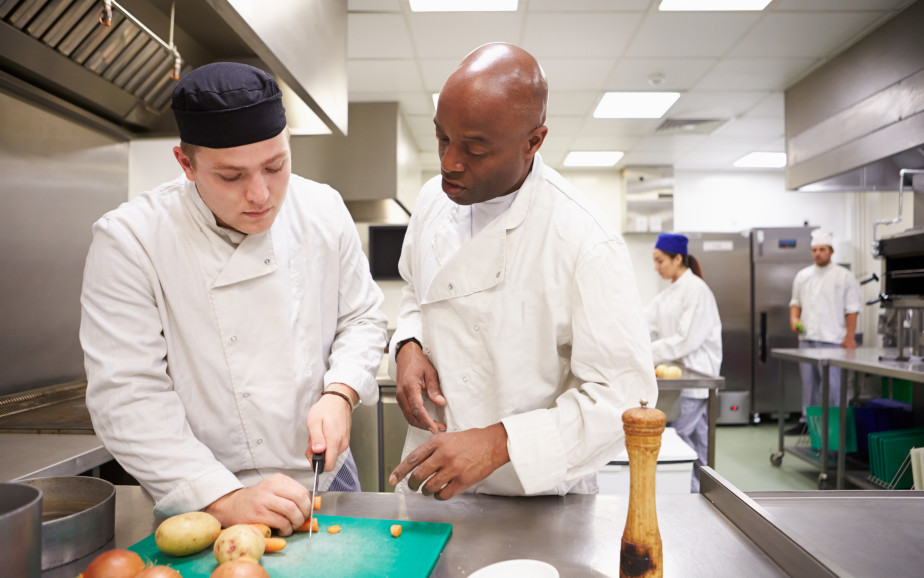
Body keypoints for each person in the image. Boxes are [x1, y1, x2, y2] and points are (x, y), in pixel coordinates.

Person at [79, 62, 387, 534]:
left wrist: (340, 392)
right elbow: (127, 393)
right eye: (230, 177)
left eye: (275, 166)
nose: (260, 194)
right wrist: (222, 497)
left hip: (326, 475)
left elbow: (363, 317)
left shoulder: (322, 209)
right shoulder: (131, 239)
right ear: (186, 165)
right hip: (205, 487)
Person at [386, 43, 657, 500]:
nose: (449, 162)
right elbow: (416, 288)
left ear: (533, 142)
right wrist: (409, 345)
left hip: (537, 498)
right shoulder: (435, 199)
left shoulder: (585, 239)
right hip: (430, 484)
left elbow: (623, 398)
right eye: (442, 138)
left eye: (474, 148)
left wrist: (499, 442)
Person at [645, 233, 722, 492]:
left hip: (696, 377)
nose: (656, 268)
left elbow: (684, 340)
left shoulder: (696, 290)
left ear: (678, 259)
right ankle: (702, 494)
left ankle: (689, 495)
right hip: (681, 378)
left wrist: (645, 352)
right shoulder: (669, 294)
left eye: (660, 261)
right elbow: (644, 321)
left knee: (679, 442)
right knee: (697, 444)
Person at [786, 228, 861, 435]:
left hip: (834, 341)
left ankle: (837, 427)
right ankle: (807, 423)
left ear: (831, 251)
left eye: (822, 249)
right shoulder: (803, 276)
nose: (818, 253)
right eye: (814, 250)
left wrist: (849, 337)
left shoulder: (844, 277)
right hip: (807, 339)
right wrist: (794, 319)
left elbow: (852, 309)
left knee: (835, 388)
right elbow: (795, 303)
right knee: (809, 386)